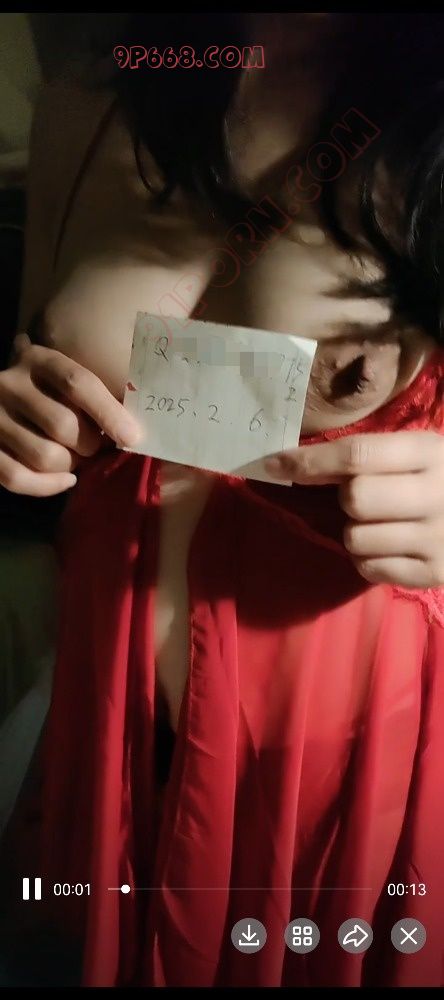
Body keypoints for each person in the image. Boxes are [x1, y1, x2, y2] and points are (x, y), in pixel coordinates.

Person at [1, 12, 444, 988]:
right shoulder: (100, 89)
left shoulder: (425, 107)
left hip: (336, 744)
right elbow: (32, 353)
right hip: (107, 703)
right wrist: (22, 416)